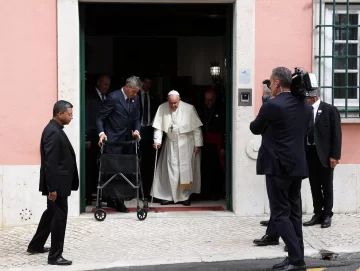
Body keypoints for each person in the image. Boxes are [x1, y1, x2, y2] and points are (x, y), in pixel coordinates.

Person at [250, 67, 312, 271]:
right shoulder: (305, 106)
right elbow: (307, 128)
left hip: (277, 166)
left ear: (277, 82)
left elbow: (255, 128)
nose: (269, 85)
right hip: (297, 165)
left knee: (279, 213)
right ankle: (296, 256)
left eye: (270, 81)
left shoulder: (272, 104)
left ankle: (296, 260)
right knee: (294, 212)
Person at [27, 100, 79, 266]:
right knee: (59, 218)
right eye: (69, 114)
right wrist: (53, 188)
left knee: (51, 213)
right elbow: (50, 163)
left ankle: (36, 245)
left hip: (58, 183)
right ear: (60, 113)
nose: (71, 117)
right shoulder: (52, 132)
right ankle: (55, 256)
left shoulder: (55, 130)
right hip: (57, 185)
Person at [96, 76, 142, 213]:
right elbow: (100, 117)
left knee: (126, 171)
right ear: (127, 87)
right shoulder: (113, 97)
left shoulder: (136, 99)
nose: (135, 94)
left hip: (128, 141)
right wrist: (101, 133)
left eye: (137, 92)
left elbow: (137, 117)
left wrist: (137, 130)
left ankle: (118, 198)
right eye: (133, 91)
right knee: (114, 171)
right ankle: (116, 200)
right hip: (113, 140)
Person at [151, 90, 203, 206]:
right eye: (171, 103)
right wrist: (157, 141)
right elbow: (158, 128)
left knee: (184, 171)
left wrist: (198, 144)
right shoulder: (162, 108)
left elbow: (197, 129)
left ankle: (184, 196)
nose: (173, 105)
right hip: (171, 143)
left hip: (186, 143)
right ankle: (169, 196)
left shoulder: (189, 108)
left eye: (175, 103)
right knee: (171, 169)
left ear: (179, 100)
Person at [303, 88, 342, 228]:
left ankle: (327, 214)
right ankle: (318, 213)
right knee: (314, 185)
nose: (305, 101)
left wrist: (335, 155)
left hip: (325, 154)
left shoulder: (329, 110)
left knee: (326, 185)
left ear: (313, 98)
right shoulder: (305, 110)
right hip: (310, 152)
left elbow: (337, 134)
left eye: (307, 98)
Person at [85, 74, 111, 205]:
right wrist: (86, 136)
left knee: (102, 166)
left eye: (108, 85)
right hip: (92, 137)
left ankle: (102, 194)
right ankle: (88, 196)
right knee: (90, 166)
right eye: (105, 84)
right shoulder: (90, 98)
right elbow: (87, 117)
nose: (107, 87)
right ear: (98, 83)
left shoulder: (106, 97)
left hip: (103, 138)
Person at [197, 89, 225, 200]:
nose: (208, 102)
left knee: (216, 170)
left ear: (214, 100)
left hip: (216, 143)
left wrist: (222, 146)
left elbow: (223, 129)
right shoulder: (201, 110)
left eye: (210, 100)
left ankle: (216, 193)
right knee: (205, 169)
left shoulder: (220, 109)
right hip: (204, 143)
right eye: (206, 100)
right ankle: (205, 193)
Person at [138, 76, 159, 197]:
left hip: (150, 131)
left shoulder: (154, 98)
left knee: (148, 163)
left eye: (149, 83)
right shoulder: (135, 97)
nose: (147, 85)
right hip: (138, 131)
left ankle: (147, 190)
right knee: (137, 161)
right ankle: (135, 189)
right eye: (145, 82)